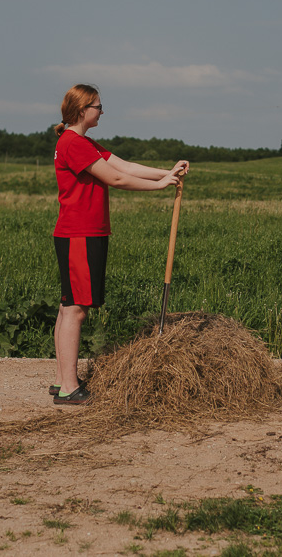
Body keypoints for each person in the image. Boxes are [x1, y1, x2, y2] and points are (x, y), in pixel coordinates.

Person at [50, 84, 188, 405]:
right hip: (80, 233)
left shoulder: (83, 142)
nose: (102, 111)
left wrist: (165, 173)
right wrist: (160, 187)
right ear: (82, 109)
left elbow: (124, 166)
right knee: (75, 309)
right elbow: (116, 179)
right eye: (98, 106)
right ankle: (69, 388)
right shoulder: (73, 143)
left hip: (85, 233)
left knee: (69, 306)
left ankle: (61, 381)